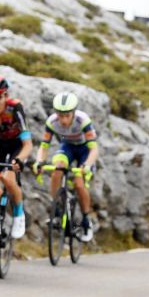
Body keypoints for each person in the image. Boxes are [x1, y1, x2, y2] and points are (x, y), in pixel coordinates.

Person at [33, 92, 100, 241]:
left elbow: (94, 149)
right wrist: (39, 162)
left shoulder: (83, 121)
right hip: (67, 147)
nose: (63, 120)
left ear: (74, 112)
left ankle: (85, 220)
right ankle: (57, 211)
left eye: (67, 115)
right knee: (57, 170)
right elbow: (44, 147)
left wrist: (87, 165)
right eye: (60, 115)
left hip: (85, 150)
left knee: (79, 183)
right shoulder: (51, 122)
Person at [0, 73, 33, 240]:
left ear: (6, 96)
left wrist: (19, 160)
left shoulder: (15, 108)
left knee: (9, 179)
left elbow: (28, 144)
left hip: (16, 144)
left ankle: (18, 213)